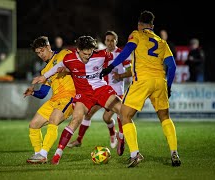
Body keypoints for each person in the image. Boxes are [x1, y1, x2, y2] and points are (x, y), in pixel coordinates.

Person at [31, 35, 134, 165]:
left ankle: (125, 141)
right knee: (76, 120)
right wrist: (43, 77)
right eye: (85, 53)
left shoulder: (102, 54)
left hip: (100, 89)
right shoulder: (69, 58)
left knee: (123, 111)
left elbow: (121, 56)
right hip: (84, 94)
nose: (87, 56)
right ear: (78, 50)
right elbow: (57, 67)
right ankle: (57, 154)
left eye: (90, 52)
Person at [100, 10, 181, 167]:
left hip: (142, 81)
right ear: (152, 25)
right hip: (159, 81)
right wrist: (168, 86)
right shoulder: (161, 42)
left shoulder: (136, 35)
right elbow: (172, 66)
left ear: (139, 24)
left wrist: (110, 67)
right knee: (165, 118)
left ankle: (135, 154)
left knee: (125, 115)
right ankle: (174, 153)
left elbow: (126, 52)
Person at [66, 31, 132, 157]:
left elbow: (131, 71)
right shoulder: (99, 54)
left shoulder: (121, 54)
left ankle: (121, 138)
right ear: (105, 41)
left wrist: (121, 75)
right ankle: (80, 139)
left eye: (112, 40)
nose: (110, 42)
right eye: (107, 40)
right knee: (93, 114)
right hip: (100, 90)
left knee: (117, 115)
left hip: (117, 91)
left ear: (116, 41)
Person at [24, 36, 76, 164]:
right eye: (37, 53)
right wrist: (33, 92)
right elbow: (43, 93)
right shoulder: (45, 70)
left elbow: (78, 66)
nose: (40, 54)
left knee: (54, 120)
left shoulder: (64, 54)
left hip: (69, 97)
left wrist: (68, 70)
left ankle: (43, 153)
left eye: (42, 50)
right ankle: (37, 154)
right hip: (54, 99)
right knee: (33, 125)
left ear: (48, 47)